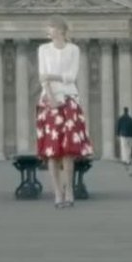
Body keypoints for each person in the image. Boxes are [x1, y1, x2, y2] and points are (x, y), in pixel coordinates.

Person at [35, 16, 93, 208]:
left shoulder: (73, 49)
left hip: (69, 100)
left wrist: (52, 76)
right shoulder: (43, 49)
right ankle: (57, 193)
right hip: (49, 101)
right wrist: (50, 96)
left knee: (68, 152)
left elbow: (72, 77)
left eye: (50, 28)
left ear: (60, 30)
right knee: (52, 152)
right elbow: (42, 77)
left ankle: (68, 190)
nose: (48, 31)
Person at [116, 106, 132, 175]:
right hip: (129, 135)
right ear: (127, 111)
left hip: (122, 135)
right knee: (128, 148)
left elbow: (118, 127)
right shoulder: (130, 119)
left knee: (123, 148)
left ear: (123, 111)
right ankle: (128, 160)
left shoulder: (121, 119)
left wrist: (118, 134)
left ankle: (124, 159)